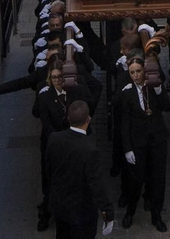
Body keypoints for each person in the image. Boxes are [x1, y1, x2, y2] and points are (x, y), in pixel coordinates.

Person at [32, 64, 93, 230]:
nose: (58, 80)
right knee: (50, 181)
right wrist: (63, 142)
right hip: (54, 145)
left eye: (60, 77)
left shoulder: (75, 91)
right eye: (54, 77)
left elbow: (88, 105)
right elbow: (47, 124)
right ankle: (47, 212)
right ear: (50, 80)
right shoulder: (45, 97)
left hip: (75, 143)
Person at [114, 56, 170, 232]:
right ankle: (130, 212)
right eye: (132, 72)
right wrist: (127, 148)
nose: (136, 75)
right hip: (138, 143)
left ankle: (157, 216)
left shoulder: (154, 87)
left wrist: (160, 89)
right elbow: (124, 123)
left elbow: (167, 106)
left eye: (138, 71)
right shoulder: (127, 92)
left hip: (157, 141)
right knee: (136, 180)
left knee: (158, 180)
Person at [44, 100, 114, 239]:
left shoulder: (54, 138)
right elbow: (96, 185)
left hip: (60, 206)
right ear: (88, 120)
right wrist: (107, 211)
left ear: (68, 119)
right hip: (81, 212)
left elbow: (48, 168)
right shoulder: (90, 150)